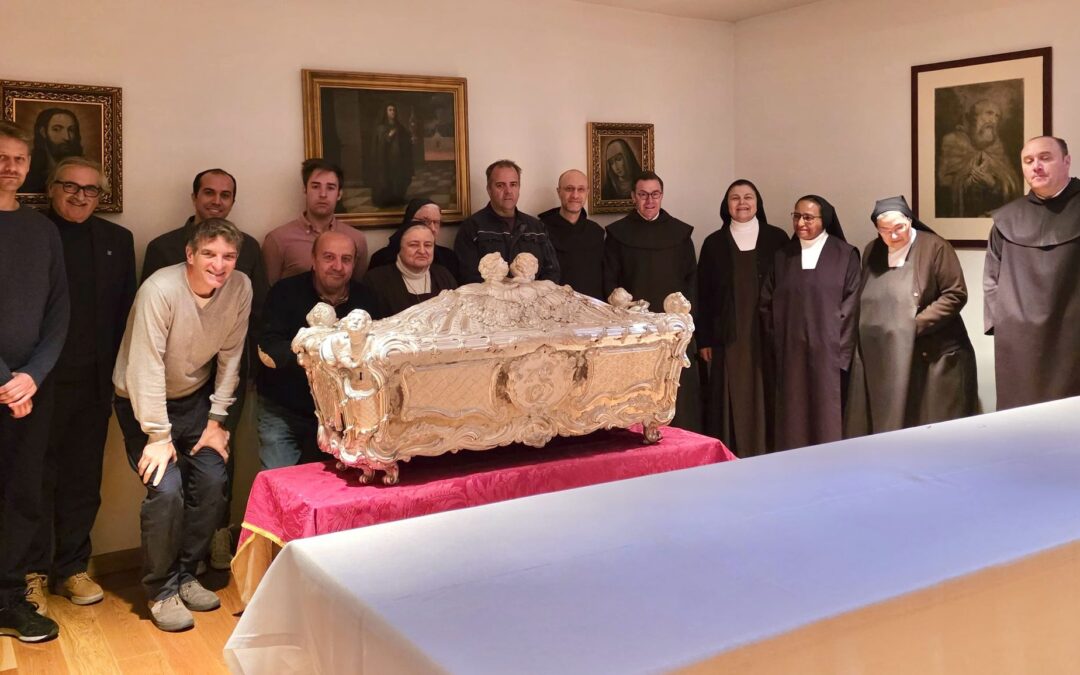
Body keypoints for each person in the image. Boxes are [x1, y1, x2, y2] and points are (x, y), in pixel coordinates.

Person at [113, 218, 251, 632]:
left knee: (211, 482)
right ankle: (160, 589)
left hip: (195, 402)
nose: (219, 264)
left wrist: (216, 420)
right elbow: (145, 364)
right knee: (167, 490)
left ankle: (187, 574)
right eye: (209, 254)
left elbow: (231, 358)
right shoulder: (160, 289)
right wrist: (157, 434)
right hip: (141, 402)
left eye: (228, 256)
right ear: (190, 255)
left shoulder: (241, 287)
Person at [25, 158, 135, 617]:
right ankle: (27, 575)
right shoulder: (29, 233)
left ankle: (71, 566)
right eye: (70, 186)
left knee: (82, 481)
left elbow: (125, 314)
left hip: (93, 384)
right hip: (35, 383)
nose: (80, 195)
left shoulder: (117, 240)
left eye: (90, 189)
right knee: (30, 480)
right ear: (50, 189)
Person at [142, 168, 267, 571]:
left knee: (215, 471)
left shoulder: (246, 256)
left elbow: (246, 323)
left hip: (214, 386)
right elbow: (150, 344)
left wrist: (223, 405)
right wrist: (157, 430)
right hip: (161, 386)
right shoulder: (163, 254)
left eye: (225, 194)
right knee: (168, 484)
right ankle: (167, 571)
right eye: (209, 193)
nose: (217, 200)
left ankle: (208, 547)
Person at [0, 120, 68, 642]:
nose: (10, 167)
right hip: (9, 387)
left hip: (32, 389)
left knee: (24, 495)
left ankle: (9, 603)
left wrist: (32, 377)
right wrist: (7, 381)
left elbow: (58, 311)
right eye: (2, 156)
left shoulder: (41, 229)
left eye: (19, 159)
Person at [845, 195, 977, 437]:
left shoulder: (935, 247)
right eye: (885, 230)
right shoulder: (871, 251)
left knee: (928, 426)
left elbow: (955, 294)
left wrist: (913, 325)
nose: (893, 236)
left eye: (899, 228)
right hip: (886, 354)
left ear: (910, 221)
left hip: (932, 354)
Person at [257, 232, 381, 469]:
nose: (338, 266)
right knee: (280, 481)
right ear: (313, 260)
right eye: (329, 257)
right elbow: (269, 347)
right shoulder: (284, 293)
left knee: (331, 490)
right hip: (284, 410)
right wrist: (321, 355)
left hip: (341, 418)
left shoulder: (366, 299)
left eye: (346, 259)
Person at [985, 135, 1080, 409]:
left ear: (1067, 161)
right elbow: (992, 277)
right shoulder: (1006, 218)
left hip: (1073, 334)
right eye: (1029, 161)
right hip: (1020, 342)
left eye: (1045, 158)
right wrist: (1001, 323)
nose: (1036, 166)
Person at [760, 195, 860, 451]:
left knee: (826, 419)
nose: (800, 222)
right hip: (790, 353)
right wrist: (778, 342)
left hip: (829, 355)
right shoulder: (783, 255)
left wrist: (841, 354)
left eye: (808, 217)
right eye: (796, 216)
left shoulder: (845, 254)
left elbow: (851, 307)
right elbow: (766, 302)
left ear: (824, 219)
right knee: (792, 417)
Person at [604, 170, 701, 432]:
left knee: (677, 393)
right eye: (643, 195)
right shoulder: (617, 234)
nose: (649, 201)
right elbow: (610, 284)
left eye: (655, 194)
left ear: (662, 196)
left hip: (674, 330)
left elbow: (691, 281)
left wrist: (685, 320)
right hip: (634, 333)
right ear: (633, 197)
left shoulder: (680, 234)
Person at [696, 179, 788, 456]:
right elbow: (704, 294)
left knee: (766, 388)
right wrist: (705, 339)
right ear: (727, 206)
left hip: (766, 332)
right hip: (728, 334)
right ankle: (732, 450)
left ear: (758, 203)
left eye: (748, 197)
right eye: (735, 198)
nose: (742, 203)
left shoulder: (778, 238)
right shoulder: (713, 243)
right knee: (730, 393)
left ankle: (767, 448)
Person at [262, 158, 369, 285]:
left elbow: (357, 290)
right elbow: (269, 294)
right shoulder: (278, 240)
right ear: (305, 190)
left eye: (330, 188)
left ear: (339, 194)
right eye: (315, 186)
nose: (323, 194)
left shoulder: (357, 239)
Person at [454, 160, 560, 284]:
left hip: (531, 301)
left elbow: (552, 272)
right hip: (490, 302)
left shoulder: (537, 228)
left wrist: (530, 293)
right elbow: (468, 277)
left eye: (513, 184)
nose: (508, 191)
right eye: (500, 185)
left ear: (519, 187)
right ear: (489, 189)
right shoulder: (472, 228)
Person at [937, 99, 1022, 217]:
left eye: (997, 116)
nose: (993, 120)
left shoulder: (998, 148)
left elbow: (1013, 185)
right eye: (989, 113)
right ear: (973, 117)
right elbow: (942, 186)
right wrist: (966, 182)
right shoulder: (952, 141)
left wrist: (993, 184)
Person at [364, 217, 457, 316]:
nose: (422, 251)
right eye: (413, 245)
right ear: (399, 248)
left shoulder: (444, 275)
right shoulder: (376, 280)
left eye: (428, 245)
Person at [538, 169, 605, 300]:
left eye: (581, 189)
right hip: (554, 309)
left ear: (588, 193)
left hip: (592, 310)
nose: (575, 195)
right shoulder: (540, 230)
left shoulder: (597, 232)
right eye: (569, 189)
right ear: (559, 192)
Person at [367, 197, 461, 282]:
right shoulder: (381, 259)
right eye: (425, 221)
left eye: (436, 222)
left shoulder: (449, 258)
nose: (432, 228)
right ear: (409, 221)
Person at [23, 108, 83, 193]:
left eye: (71, 130)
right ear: (43, 132)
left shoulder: (83, 173)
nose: (67, 137)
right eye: (57, 129)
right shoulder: (28, 174)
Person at [370, 104, 413, 207]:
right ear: (386, 112)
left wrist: (409, 140)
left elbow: (406, 138)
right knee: (386, 179)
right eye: (390, 110)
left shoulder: (399, 126)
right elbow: (380, 145)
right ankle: (386, 200)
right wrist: (388, 136)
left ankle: (398, 198)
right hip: (385, 161)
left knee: (398, 179)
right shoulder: (380, 128)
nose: (392, 112)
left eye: (394, 110)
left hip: (398, 160)